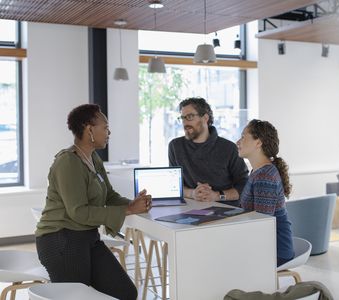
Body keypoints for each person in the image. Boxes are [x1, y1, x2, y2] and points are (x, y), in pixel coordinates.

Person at [35, 104, 151, 300]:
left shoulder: (92, 158)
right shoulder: (68, 162)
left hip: (86, 237)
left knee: (125, 292)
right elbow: (78, 212)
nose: (109, 132)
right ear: (89, 129)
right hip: (61, 239)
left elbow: (109, 196)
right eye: (105, 127)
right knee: (78, 297)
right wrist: (128, 210)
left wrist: (135, 203)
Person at [168, 97, 248, 204]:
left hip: (227, 212)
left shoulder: (229, 148)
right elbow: (174, 186)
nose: (185, 123)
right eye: (182, 118)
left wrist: (217, 196)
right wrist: (193, 193)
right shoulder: (175, 146)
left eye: (190, 117)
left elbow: (244, 186)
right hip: (191, 208)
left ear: (205, 118)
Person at [236, 119, 294, 266]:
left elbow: (262, 226)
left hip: (276, 251)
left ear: (258, 142)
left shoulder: (265, 176)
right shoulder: (258, 171)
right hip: (268, 246)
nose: (238, 141)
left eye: (243, 137)